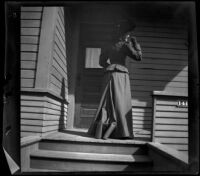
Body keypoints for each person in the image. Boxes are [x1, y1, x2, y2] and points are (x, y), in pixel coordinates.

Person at [87, 21, 142, 139]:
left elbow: (101, 62)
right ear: (122, 35)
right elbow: (138, 57)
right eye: (127, 34)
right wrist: (135, 43)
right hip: (121, 74)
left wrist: (110, 66)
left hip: (109, 73)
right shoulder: (125, 45)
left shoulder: (108, 45)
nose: (128, 36)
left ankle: (102, 131)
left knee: (107, 102)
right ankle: (121, 132)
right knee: (120, 102)